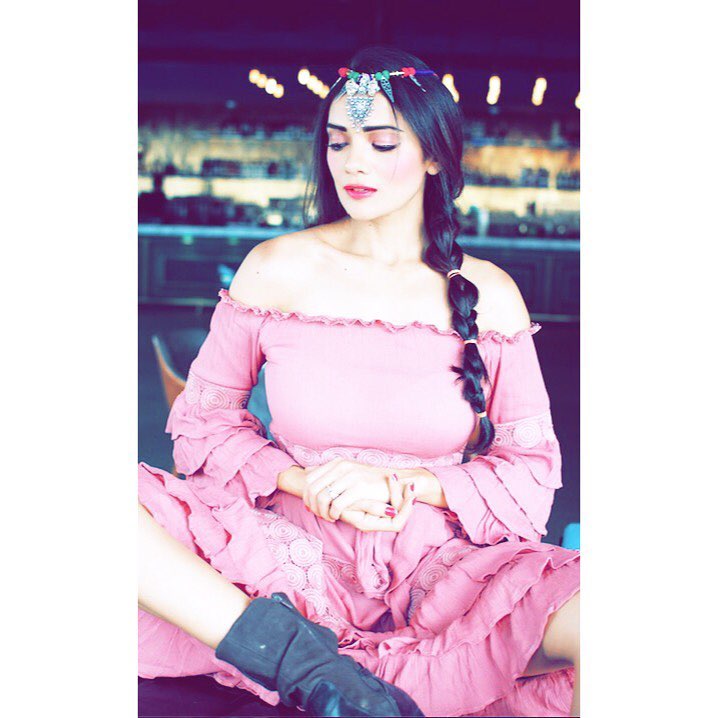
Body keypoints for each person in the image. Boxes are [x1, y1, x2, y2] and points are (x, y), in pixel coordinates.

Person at [139, 46, 580, 717]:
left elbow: (531, 468)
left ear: (434, 157)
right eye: (339, 142)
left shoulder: (491, 295)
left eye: (381, 142)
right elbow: (204, 425)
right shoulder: (275, 269)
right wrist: (301, 480)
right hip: (281, 568)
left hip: (443, 576)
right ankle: (310, 667)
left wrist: (406, 485)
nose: (353, 163)